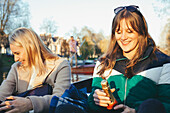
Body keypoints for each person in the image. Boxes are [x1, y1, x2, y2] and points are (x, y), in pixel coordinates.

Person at [88, 5, 170, 113]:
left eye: (129, 31)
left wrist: (135, 110)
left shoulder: (163, 63)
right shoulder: (103, 63)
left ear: (141, 32)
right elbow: (91, 102)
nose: (123, 37)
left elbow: (167, 104)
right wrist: (95, 99)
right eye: (118, 31)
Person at [0, 27, 71, 113]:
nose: (15, 59)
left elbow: (61, 99)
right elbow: (2, 94)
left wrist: (30, 104)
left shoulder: (61, 65)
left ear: (30, 47)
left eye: (17, 53)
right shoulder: (16, 68)